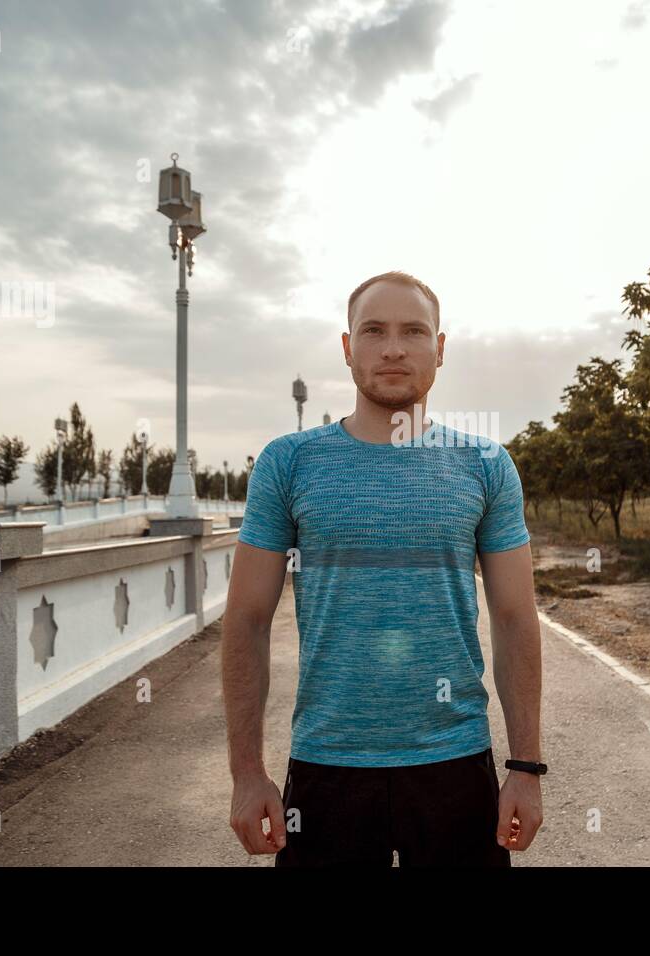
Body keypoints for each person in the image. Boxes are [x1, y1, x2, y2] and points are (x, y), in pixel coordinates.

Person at [222, 270, 546, 867]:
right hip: (327, 767)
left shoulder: (485, 465)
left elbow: (514, 617)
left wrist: (525, 768)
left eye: (413, 331)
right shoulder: (288, 464)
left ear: (439, 349)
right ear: (348, 347)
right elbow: (245, 621)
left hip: (455, 763)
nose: (393, 348)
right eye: (374, 331)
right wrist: (247, 774)